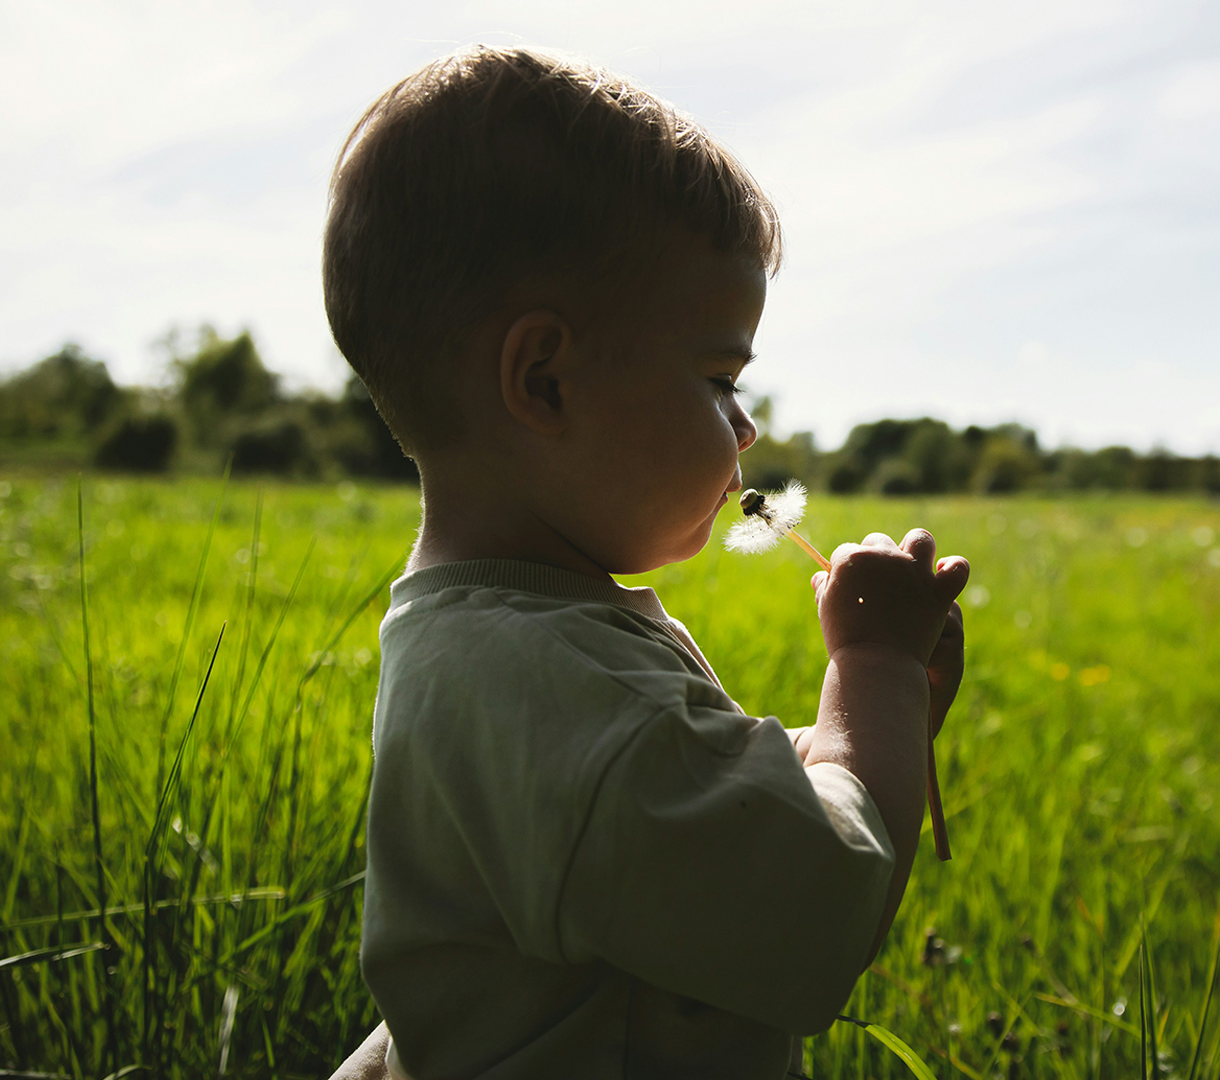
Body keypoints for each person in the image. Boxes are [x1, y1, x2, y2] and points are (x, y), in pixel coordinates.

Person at [322, 45, 968, 1080]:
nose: (746, 431)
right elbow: (811, 912)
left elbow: (670, 811)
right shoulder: (550, 682)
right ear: (545, 381)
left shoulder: (495, 647)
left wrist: (876, 728)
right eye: (720, 380)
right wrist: (874, 677)